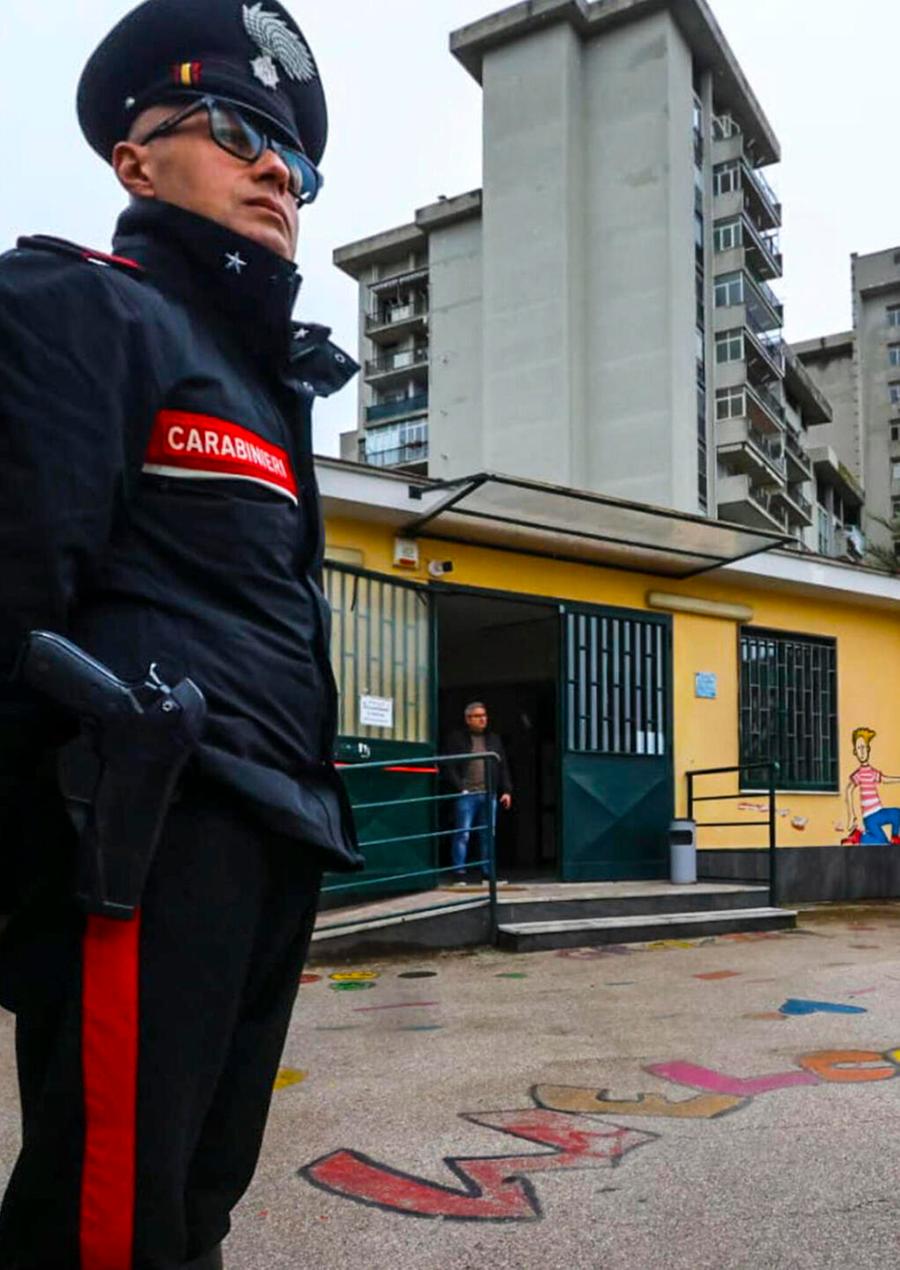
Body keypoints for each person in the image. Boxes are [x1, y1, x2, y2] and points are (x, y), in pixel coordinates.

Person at [0, 2, 363, 1267]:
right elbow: (15, 590)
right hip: (148, 832)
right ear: (135, 159)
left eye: (295, 158)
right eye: (235, 128)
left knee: (199, 1201)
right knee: (107, 1218)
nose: (278, 168)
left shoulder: (262, 383)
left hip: (277, 831)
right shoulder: (79, 305)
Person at [445, 702, 513, 883]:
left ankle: (488, 874)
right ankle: (459, 873)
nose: (482, 719)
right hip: (467, 795)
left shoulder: (493, 739)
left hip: (489, 793)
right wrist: (461, 788)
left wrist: (506, 790)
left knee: (488, 835)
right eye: (477, 716)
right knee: (463, 833)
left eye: (484, 715)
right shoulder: (457, 738)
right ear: (468, 719)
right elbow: (449, 766)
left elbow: (503, 765)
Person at [844, 727, 900, 845]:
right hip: (870, 817)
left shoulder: (872, 771)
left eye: (864, 747)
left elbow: (884, 779)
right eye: (859, 748)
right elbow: (849, 790)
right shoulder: (858, 774)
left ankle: (895, 837)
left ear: (868, 749)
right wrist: (851, 815)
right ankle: (859, 837)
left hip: (879, 812)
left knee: (897, 814)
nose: (862, 751)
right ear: (855, 752)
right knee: (883, 843)